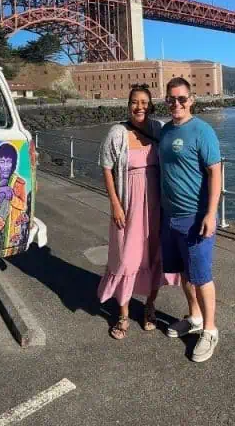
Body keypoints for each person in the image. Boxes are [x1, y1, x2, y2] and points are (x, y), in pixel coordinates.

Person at [96, 85, 178, 339]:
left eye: (144, 102)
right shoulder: (117, 133)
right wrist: (115, 204)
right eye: (134, 102)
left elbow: (177, 155)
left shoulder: (157, 129)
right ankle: (122, 313)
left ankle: (149, 307)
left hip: (156, 206)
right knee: (126, 258)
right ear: (128, 104)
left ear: (150, 104)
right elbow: (106, 167)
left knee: (154, 255)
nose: (139, 106)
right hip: (128, 205)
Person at [158, 77, 222, 363]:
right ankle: (195, 316)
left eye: (182, 99)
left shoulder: (202, 131)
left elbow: (215, 172)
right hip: (169, 217)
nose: (177, 104)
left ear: (192, 99)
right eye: (171, 99)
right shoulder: (165, 131)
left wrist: (210, 213)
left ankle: (210, 330)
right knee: (185, 274)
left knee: (202, 277)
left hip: (194, 217)